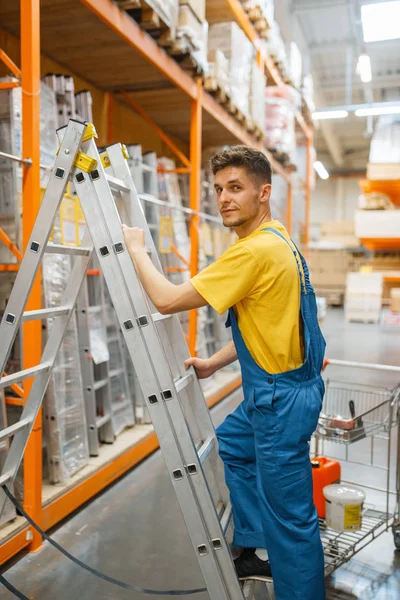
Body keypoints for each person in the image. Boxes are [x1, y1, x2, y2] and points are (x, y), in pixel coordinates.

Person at [122, 145, 326, 600]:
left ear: (264, 192)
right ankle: (255, 546)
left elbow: (167, 300)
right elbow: (268, 323)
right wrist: (215, 362)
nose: (224, 198)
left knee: (292, 521)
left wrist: (135, 250)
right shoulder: (280, 241)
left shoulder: (252, 253)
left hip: (278, 400)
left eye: (236, 188)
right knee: (232, 445)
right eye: (218, 189)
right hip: (284, 389)